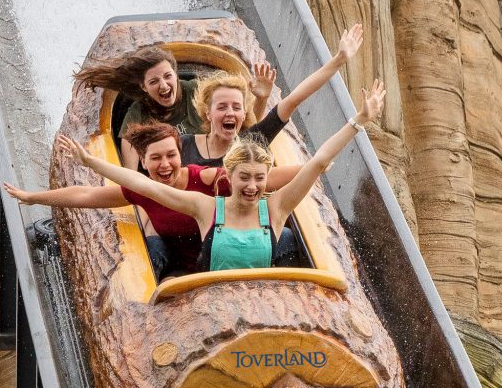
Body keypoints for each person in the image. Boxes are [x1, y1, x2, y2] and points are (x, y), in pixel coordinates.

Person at [59, 81, 387, 272]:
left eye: (259, 179)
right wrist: (91, 162)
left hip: (262, 301)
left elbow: (319, 161)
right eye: (245, 178)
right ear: (229, 176)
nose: (253, 186)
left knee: (288, 240)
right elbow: (141, 184)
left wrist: (358, 121)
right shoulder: (204, 207)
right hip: (213, 303)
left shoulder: (276, 208)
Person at [3, 123, 299, 278]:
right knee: (153, 248)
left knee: (284, 236)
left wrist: (314, 168)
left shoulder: (210, 179)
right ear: (143, 162)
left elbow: (262, 178)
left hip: (233, 257)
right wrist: (33, 197)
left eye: (171, 155)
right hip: (180, 265)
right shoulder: (145, 189)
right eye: (156, 158)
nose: (165, 164)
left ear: (181, 154)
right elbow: (87, 194)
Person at [181, 23, 364, 168]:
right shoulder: (183, 144)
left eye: (236, 107)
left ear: (243, 114)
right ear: (208, 113)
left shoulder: (249, 144)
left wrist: (339, 60)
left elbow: (293, 100)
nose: (230, 112)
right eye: (222, 107)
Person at [74, 47, 276, 170]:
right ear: (144, 87)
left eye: (167, 76)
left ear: (176, 74)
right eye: (154, 81)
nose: (163, 85)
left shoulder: (198, 91)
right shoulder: (137, 115)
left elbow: (247, 130)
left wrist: (261, 99)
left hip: (219, 168)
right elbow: (129, 172)